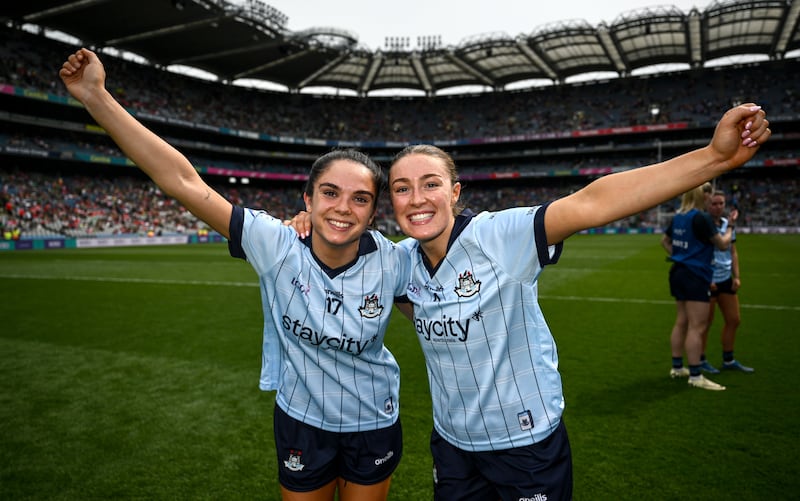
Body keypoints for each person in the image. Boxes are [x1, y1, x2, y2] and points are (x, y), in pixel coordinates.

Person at [59, 48, 413, 501]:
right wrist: (96, 98)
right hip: (301, 417)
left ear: (373, 211)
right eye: (330, 192)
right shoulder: (276, 243)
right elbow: (184, 182)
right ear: (307, 199)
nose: (343, 207)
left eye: (360, 198)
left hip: (373, 420)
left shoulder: (394, 260)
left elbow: (441, 308)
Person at [384, 105, 769, 501]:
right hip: (452, 446)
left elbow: (593, 202)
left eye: (430, 184)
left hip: (525, 442)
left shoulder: (498, 236)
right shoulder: (400, 261)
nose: (416, 199)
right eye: (401, 188)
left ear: (454, 192)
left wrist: (714, 157)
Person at [661, 184, 738, 391]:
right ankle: (695, 375)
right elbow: (722, 244)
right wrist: (730, 226)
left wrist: (680, 256)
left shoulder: (678, 217)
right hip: (696, 275)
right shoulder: (701, 218)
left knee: (681, 321)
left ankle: (677, 367)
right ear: (700, 196)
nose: (710, 198)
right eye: (708, 195)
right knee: (697, 325)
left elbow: (665, 241)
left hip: (678, 272)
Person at [702, 189, 754, 373]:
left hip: (725, 278)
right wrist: (706, 278)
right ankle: (701, 360)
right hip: (708, 281)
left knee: (734, 320)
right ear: (707, 205)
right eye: (714, 203)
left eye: (721, 203)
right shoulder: (703, 225)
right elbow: (699, 254)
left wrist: (737, 276)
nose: (717, 207)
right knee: (705, 323)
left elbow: (732, 250)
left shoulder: (727, 224)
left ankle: (728, 360)